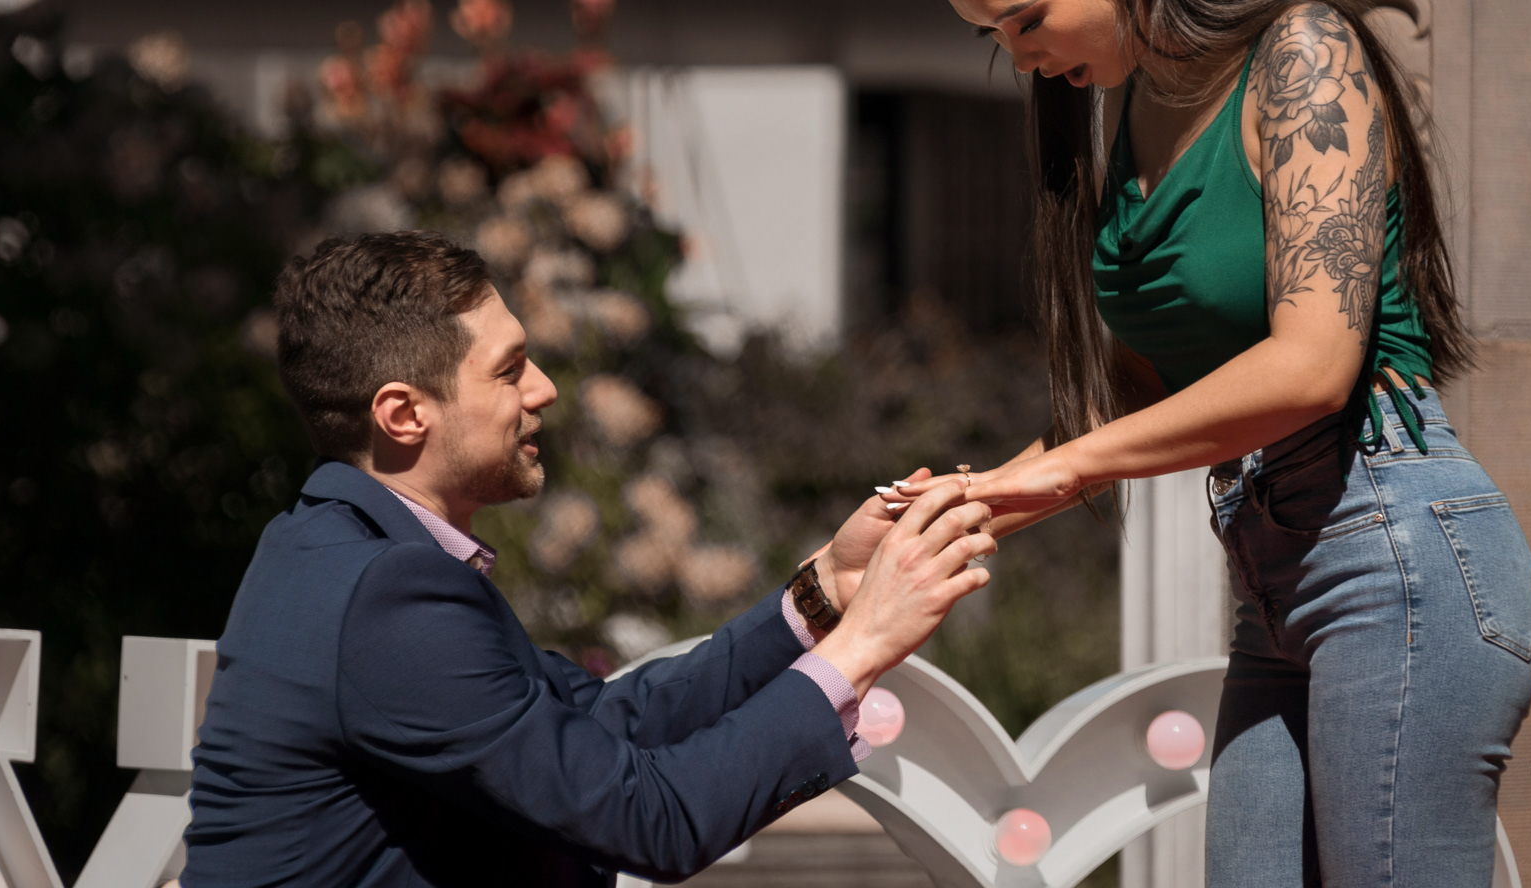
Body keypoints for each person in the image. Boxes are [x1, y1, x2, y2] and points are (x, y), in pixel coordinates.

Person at [888, 0, 1531, 887]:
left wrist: (1069, 467)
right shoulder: (1132, 109)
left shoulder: (1304, 55)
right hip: (1277, 576)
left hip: (1396, 555)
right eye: (991, 36)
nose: (1021, 56)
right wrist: (980, 498)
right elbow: (1153, 388)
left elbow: (1313, 365)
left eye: (1025, 17)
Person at [184, 230, 995, 888]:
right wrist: (864, 644)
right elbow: (652, 821)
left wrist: (822, 595)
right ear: (403, 415)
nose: (544, 389)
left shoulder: (339, 552)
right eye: (508, 371)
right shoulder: (383, 595)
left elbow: (602, 725)